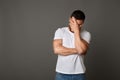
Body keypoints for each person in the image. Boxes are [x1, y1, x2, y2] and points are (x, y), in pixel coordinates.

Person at [53, 10, 91, 80]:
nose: (77, 26)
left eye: (79, 25)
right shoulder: (60, 31)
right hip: (61, 74)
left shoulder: (86, 34)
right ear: (70, 20)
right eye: (75, 24)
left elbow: (82, 51)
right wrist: (78, 50)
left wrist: (76, 31)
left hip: (79, 74)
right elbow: (57, 50)